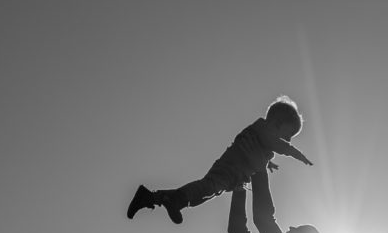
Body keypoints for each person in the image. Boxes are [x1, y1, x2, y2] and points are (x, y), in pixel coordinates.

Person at [126, 96, 312, 225]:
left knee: (203, 194)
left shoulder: (264, 140)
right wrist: (296, 154)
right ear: (276, 123)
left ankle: (155, 197)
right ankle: (168, 199)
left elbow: (262, 150)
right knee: (206, 187)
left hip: (233, 175)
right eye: (288, 136)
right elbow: (273, 143)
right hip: (230, 167)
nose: (287, 141)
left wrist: (268, 163)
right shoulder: (262, 127)